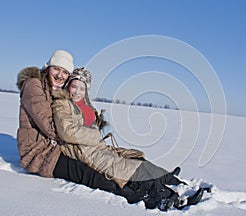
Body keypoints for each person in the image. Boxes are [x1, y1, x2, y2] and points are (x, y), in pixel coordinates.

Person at [51, 67, 211, 211]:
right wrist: (97, 134)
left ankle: (176, 182)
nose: (77, 91)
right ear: (68, 86)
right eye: (74, 86)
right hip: (85, 151)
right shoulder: (62, 104)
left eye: (82, 88)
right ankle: (174, 198)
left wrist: (102, 122)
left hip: (99, 148)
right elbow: (67, 132)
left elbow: (90, 123)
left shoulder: (86, 104)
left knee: (136, 159)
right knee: (128, 170)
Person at [16, 50, 145, 206]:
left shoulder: (56, 89)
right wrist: (87, 133)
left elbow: (71, 121)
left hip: (57, 146)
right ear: (48, 66)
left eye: (64, 72)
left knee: (103, 161)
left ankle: (144, 183)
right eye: (56, 68)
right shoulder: (34, 85)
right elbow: (52, 128)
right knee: (87, 172)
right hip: (39, 153)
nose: (59, 75)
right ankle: (130, 196)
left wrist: (90, 126)